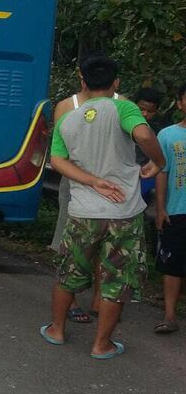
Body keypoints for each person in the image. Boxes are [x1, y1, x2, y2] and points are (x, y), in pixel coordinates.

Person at [42, 55, 165, 359]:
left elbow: (57, 161)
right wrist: (158, 162)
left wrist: (92, 180)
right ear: (116, 83)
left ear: (82, 81)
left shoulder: (67, 116)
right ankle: (101, 345)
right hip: (122, 212)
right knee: (116, 279)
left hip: (83, 210)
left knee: (69, 271)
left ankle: (57, 329)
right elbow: (145, 134)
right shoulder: (123, 107)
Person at [49, 50, 122, 322]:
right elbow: (61, 152)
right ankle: (70, 302)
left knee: (107, 247)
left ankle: (99, 300)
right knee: (71, 245)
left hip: (112, 187)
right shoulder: (67, 107)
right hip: (76, 186)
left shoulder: (122, 105)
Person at [153, 83, 186, 334]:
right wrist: (161, 208)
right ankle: (169, 316)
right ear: (180, 103)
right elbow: (161, 173)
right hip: (176, 211)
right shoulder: (166, 135)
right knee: (172, 265)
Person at [134, 87, 168, 202]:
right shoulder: (120, 126)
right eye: (141, 109)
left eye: (150, 111)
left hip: (147, 178)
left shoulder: (159, 132)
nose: (145, 114)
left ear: (157, 111)